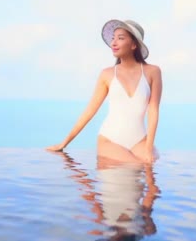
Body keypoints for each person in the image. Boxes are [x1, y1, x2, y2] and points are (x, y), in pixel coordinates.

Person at [46, 19, 162, 164]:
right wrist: (64, 143)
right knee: (136, 166)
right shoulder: (106, 74)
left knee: (151, 164)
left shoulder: (153, 72)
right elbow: (90, 111)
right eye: (113, 38)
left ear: (133, 45)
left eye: (120, 38)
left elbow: (153, 111)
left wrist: (148, 147)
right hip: (110, 140)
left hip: (140, 140)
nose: (113, 43)